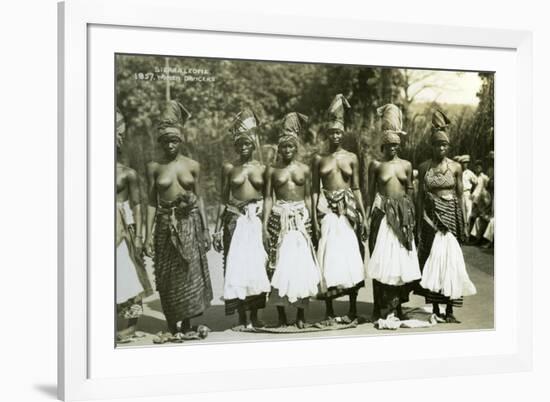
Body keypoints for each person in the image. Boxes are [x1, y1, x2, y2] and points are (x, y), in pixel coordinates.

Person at [144, 100, 213, 335]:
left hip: (189, 223)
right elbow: (152, 201)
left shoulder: (192, 166)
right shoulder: (154, 167)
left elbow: (200, 198)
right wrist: (146, 236)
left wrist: (205, 230)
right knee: (167, 274)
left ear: (180, 141)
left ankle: (187, 324)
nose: (170, 145)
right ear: (161, 142)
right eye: (166, 141)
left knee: (189, 273)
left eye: (174, 140)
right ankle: (172, 324)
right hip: (165, 224)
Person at [212, 108, 270, 329]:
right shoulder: (229, 168)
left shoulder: (263, 169)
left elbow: (268, 198)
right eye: (240, 144)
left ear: (253, 145)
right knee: (236, 267)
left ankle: (255, 316)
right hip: (234, 220)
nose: (244, 148)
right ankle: (241, 317)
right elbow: (222, 199)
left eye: (247, 144)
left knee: (256, 266)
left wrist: (265, 224)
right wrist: (217, 230)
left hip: (255, 219)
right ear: (235, 146)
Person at [416, 110, 476, 323]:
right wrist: (420, 222)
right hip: (430, 219)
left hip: (451, 217)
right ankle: (434, 307)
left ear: (448, 147)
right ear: (431, 146)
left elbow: (460, 197)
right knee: (432, 262)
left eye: (444, 145)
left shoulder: (456, 167)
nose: (440, 148)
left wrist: (464, 223)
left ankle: (449, 310)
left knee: (451, 262)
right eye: (437, 145)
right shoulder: (424, 167)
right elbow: (420, 199)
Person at [263, 112, 322, 328]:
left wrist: (313, 221)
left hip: (300, 219)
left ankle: (300, 314)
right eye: (283, 147)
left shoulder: (304, 170)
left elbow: (308, 196)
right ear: (279, 149)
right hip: (279, 218)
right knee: (278, 265)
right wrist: (264, 225)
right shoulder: (272, 171)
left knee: (301, 265)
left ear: (295, 148)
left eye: (290, 146)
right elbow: (268, 198)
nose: (287, 150)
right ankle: (280, 313)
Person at [312, 94, 368, 321]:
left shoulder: (352, 157)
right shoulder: (319, 159)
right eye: (331, 132)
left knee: (351, 254)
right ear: (326, 135)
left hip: (348, 210)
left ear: (342, 133)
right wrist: (315, 219)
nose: (335, 136)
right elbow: (314, 189)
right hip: (326, 209)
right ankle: (329, 309)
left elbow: (356, 187)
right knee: (327, 254)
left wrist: (363, 215)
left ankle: (353, 307)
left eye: (338, 132)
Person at [366, 104, 421, 322]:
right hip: (382, 215)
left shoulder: (406, 165)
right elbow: (371, 193)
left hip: (403, 214)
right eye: (388, 145)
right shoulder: (376, 165)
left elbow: (410, 191)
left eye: (395, 145)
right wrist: (369, 218)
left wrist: (412, 215)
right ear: (383, 145)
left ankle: (397, 306)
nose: (392, 149)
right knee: (381, 261)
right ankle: (379, 306)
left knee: (401, 261)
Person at [116, 109, 153, 341]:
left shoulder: (127, 174)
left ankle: (130, 326)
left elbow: (138, 205)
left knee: (129, 273)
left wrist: (139, 236)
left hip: (121, 231)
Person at [460, 155, 478, 241]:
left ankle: (468, 235)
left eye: (466, 163)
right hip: (460, 194)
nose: (465, 165)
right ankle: (463, 234)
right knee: (462, 214)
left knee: (469, 214)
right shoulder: (459, 172)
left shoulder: (470, 173)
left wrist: (473, 193)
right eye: (463, 163)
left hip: (467, 193)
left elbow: (477, 182)